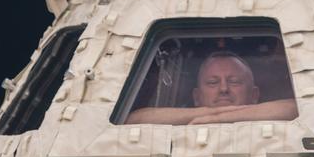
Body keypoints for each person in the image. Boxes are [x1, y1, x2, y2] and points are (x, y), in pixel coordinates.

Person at [124, 51, 298, 125]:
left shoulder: (276, 115)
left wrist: (217, 119)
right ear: (197, 96)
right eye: (213, 83)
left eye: (234, 81)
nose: (223, 88)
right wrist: (209, 114)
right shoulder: (189, 121)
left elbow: (295, 108)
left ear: (254, 95)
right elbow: (134, 119)